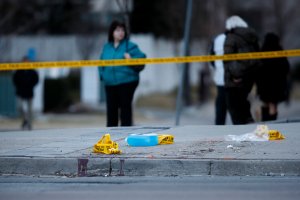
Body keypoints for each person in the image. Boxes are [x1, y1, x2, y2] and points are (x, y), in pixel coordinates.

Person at [98, 20, 146, 127]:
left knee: (125, 110)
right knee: (111, 111)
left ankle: (125, 137)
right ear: (112, 32)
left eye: (123, 30)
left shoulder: (130, 46)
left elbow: (142, 58)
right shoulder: (107, 47)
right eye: (118, 30)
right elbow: (101, 63)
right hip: (110, 83)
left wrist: (131, 59)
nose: (121, 32)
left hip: (127, 82)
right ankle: (111, 138)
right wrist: (103, 76)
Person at [223, 16, 261, 124]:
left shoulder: (231, 37)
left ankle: (241, 134)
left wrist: (235, 76)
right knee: (243, 103)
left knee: (234, 107)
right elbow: (258, 57)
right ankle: (248, 126)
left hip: (235, 79)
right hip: (249, 77)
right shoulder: (252, 37)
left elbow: (228, 59)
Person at [256, 33, 290, 121]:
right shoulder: (279, 51)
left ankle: (265, 122)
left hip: (264, 83)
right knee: (273, 104)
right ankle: (272, 122)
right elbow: (286, 68)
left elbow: (257, 67)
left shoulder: (262, 51)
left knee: (266, 103)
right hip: (277, 84)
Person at [13, 56, 39, 130]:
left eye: (27, 61)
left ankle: (29, 124)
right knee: (19, 107)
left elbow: (36, 79)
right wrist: (19, 86)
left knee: (30, 109)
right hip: (20, 92)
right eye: (24, 61)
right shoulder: (19, 70)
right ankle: (25, 120)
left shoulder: (32, 70)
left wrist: (31, 85)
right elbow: (15, 80)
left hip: (29, 92)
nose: (25, 62)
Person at [210, 33, 227, 125]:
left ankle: (219, 125)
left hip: (220, 77)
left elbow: (211, 57)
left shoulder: (218, 39)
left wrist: (218, 67)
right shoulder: (238, 37)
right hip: (234, 78)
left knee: (221, 102)